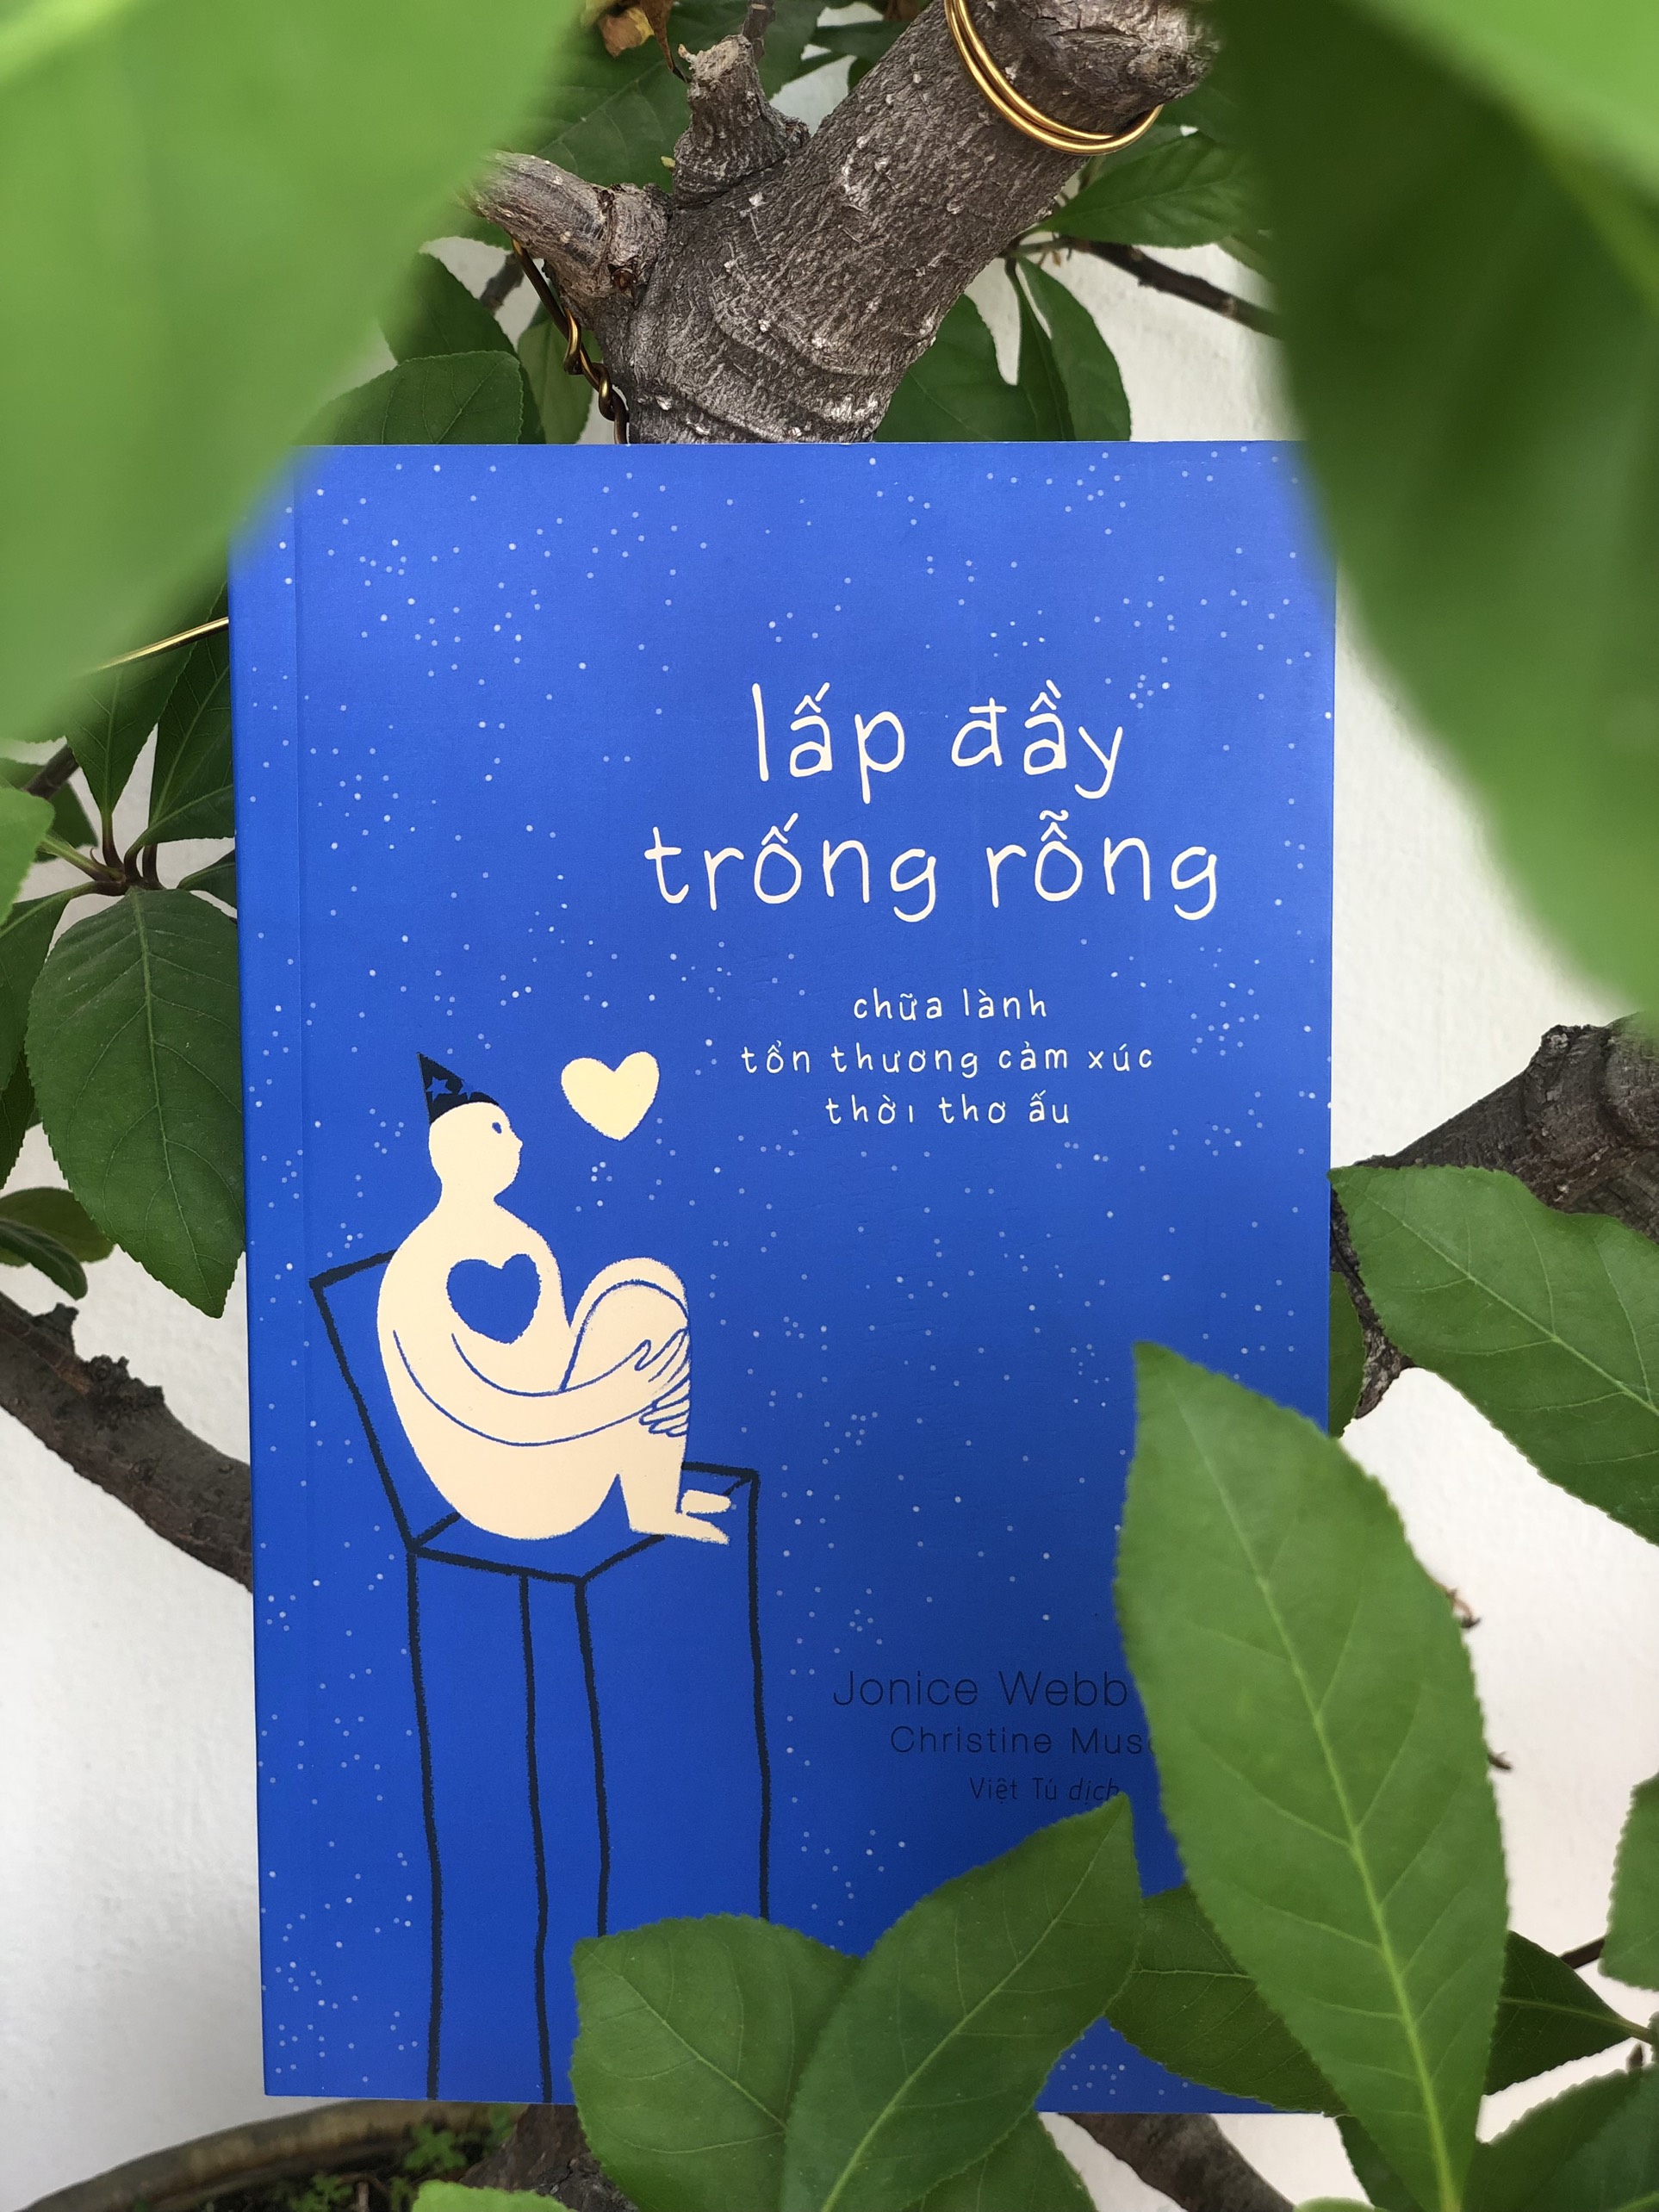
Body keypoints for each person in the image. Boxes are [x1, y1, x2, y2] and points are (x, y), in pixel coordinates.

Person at [376, 1056, 730, 1543]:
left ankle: (655, 1498)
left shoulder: (524, 1240)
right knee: (639, 1308)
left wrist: (630, 1390)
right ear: (454, 1150)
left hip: (566, 1444)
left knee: (643, 1285)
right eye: (499, 1130)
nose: (518, 1142)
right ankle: (650, 1497)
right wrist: (618, 1397)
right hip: (506, 1487)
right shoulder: (418, 1270)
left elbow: (557, 1362)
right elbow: (478, 1410)